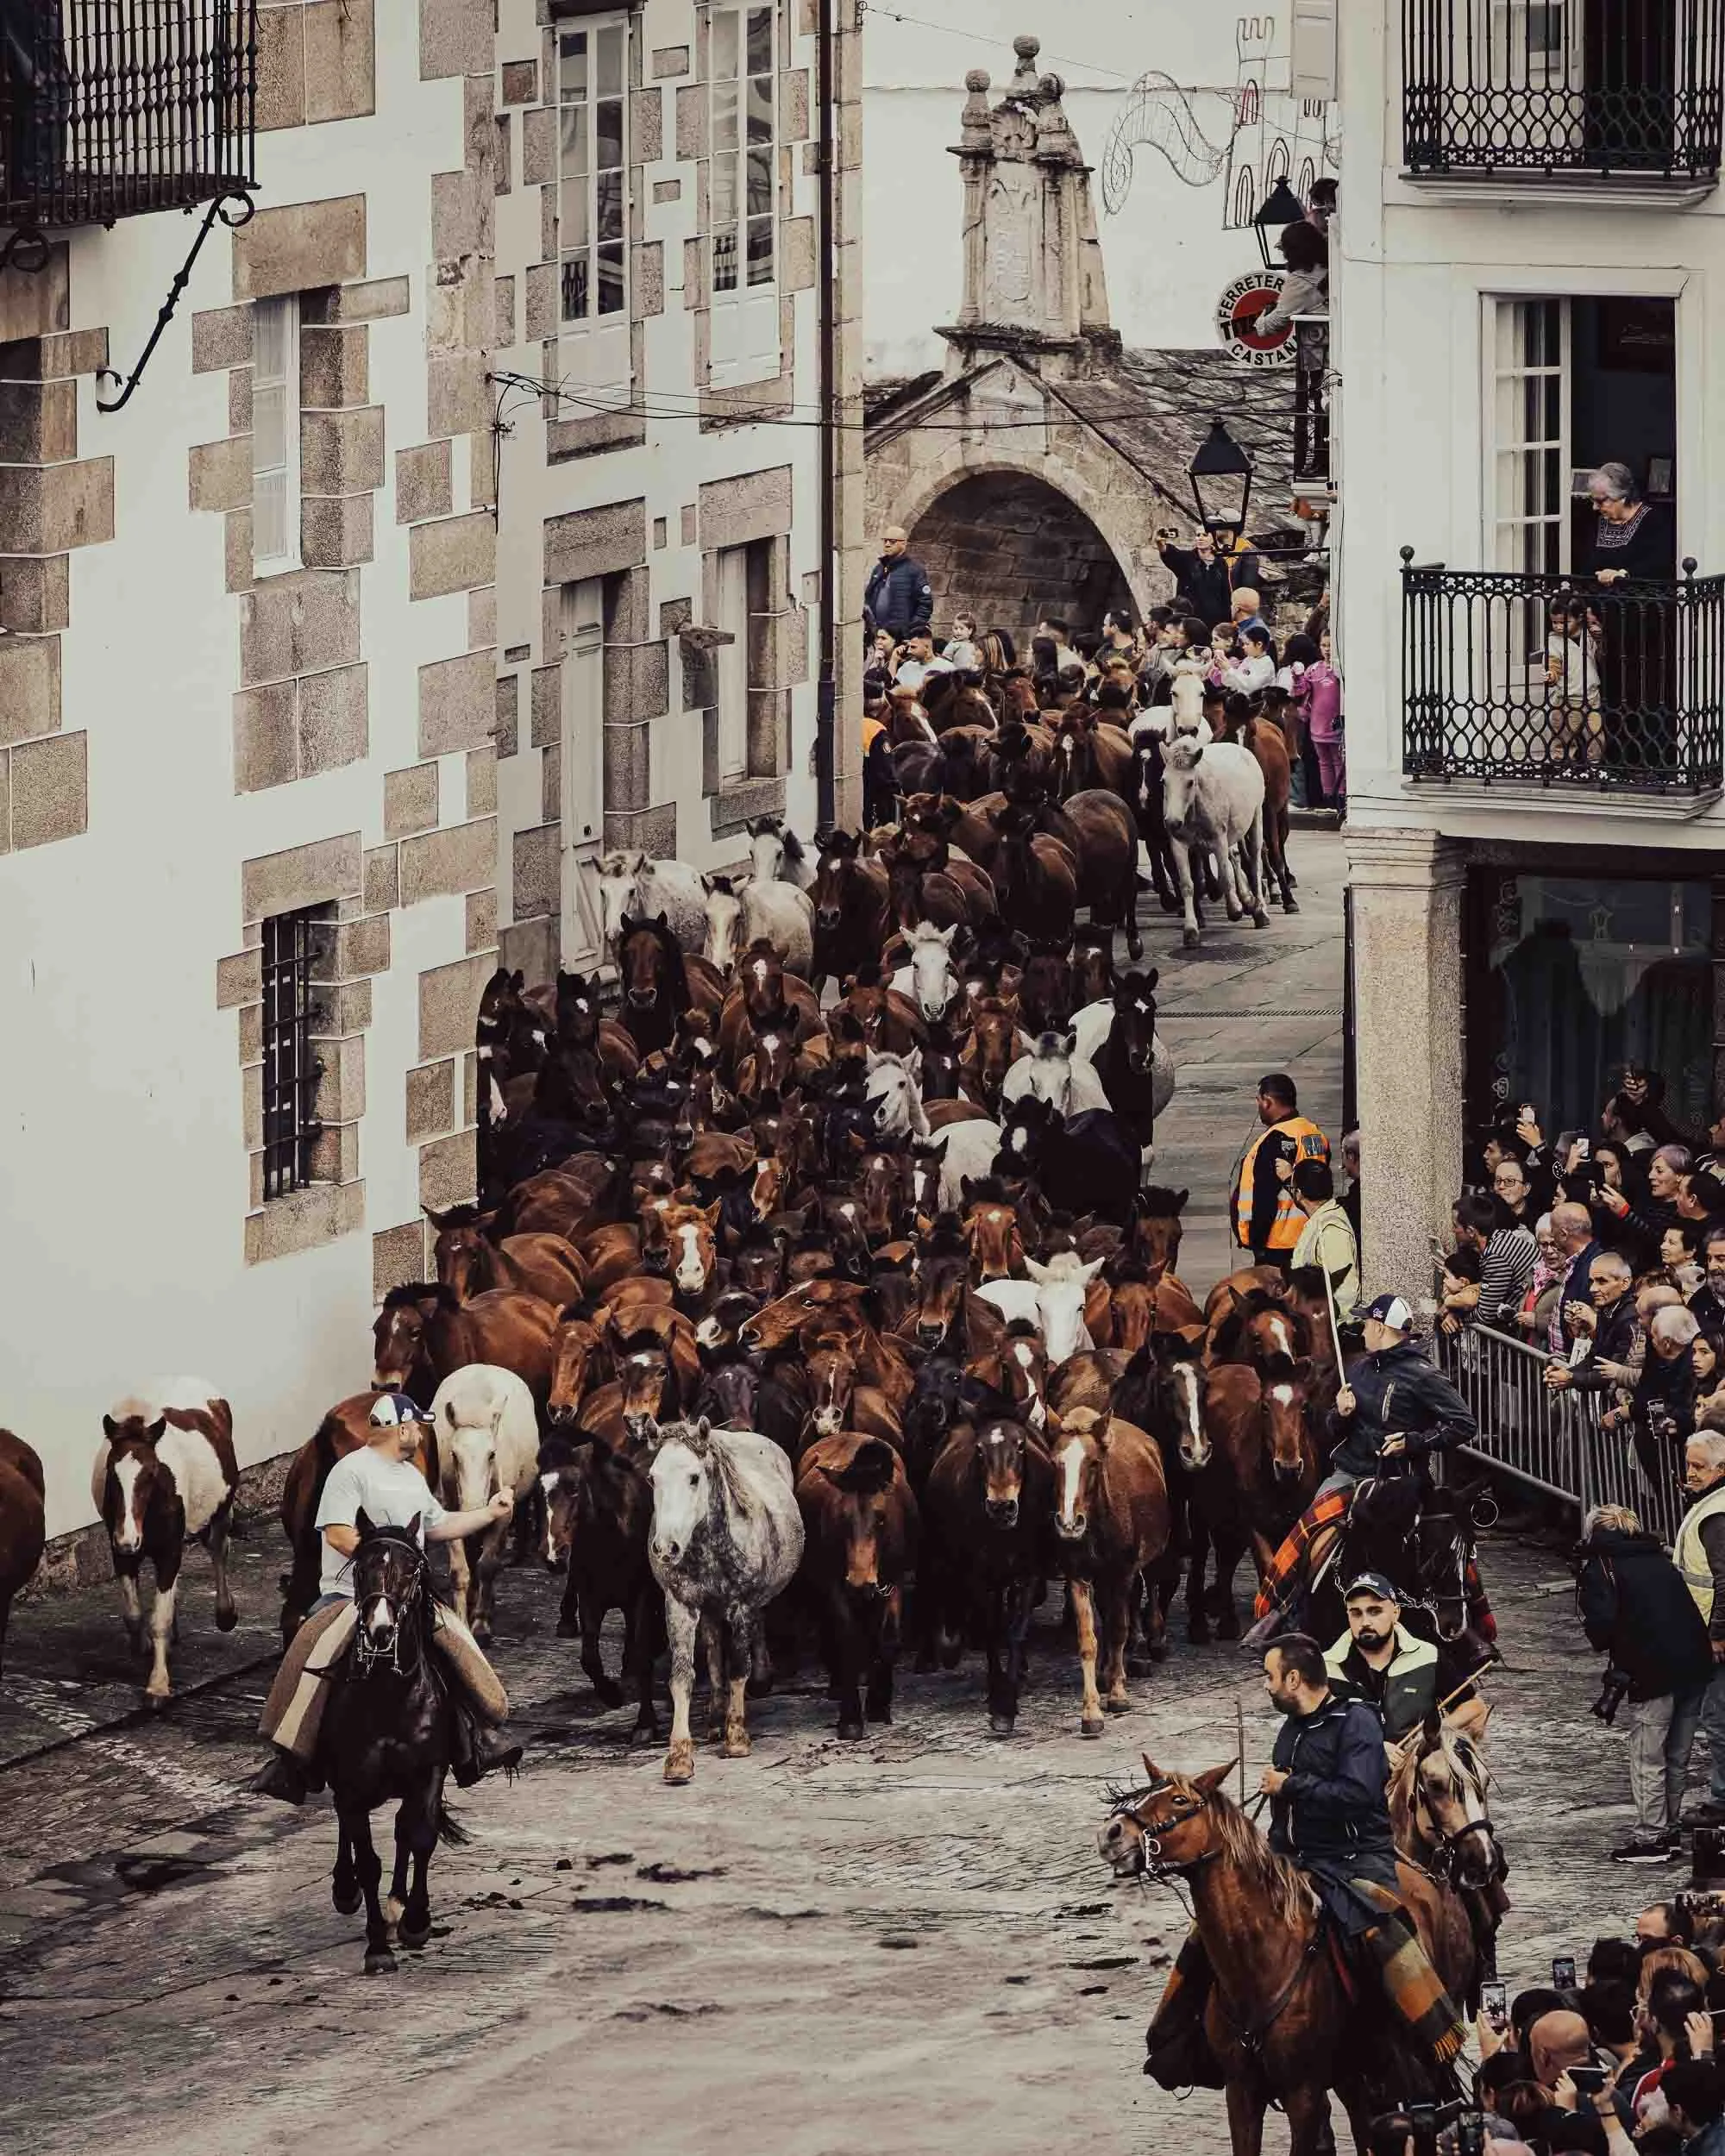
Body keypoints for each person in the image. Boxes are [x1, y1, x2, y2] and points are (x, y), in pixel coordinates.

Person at [254, 1392, 522, 1803]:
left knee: (459, 1642)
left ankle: (480, 1736)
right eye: (416, 1425)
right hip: (351, 1595)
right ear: (399, 1428)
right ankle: (290, 1758)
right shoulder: (351, 1472)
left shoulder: (410, 1476)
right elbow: (338, 1533)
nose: (419, 1432)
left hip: (410, 1597)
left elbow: (438, 1525)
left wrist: (489, 1512)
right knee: (310, 1649)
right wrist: (385, 1559)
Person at [1258, 1633, 1465, 2069]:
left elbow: (1357, 1792)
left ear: (1293, 1679)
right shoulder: (1291, 1728)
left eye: (1269, 1676)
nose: (1266, 1685)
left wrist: (1289, 1784)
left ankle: (1397, 2038)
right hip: (1293, 1859)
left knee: (1374, 1937)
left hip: (1353, 1858)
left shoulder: (1358, 1721)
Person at [1576, 1501, 1712, 1863]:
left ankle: (1650, 1838)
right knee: (1677, 1756)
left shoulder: (1601, 1567)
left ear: (1595, 1533)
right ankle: (1667, 1832)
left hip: (1653, 1672)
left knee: (1648, 1756)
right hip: (1694, 1666)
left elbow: (1601, 1630)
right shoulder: (1658, 1559)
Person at [1320, 1293, 1478, 1502]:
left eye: (1366, 1325)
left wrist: (1412, 1442)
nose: (1363, 1334)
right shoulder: (1358, 1370)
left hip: (1398, 1482)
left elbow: (1464, 1425)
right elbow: (1332, 1428)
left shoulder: (1423, 1375)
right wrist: (1340, 1414)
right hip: (1349, 1473)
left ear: (1379, 1327)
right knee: (1311, 1531)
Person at [1323, 1571, 1479, 1745]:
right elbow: (1311, 1730)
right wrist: (1373, 1748)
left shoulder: (1427, 1656)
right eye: (1356, 1613)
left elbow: (1473, 1705)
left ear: (1396, 1613)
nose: (1365, 1622)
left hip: (1414, 1763)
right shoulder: (1325, 1667)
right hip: (1351, 1766)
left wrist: (1434, 1732)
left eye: (1375, 1611)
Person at [1675, 1432, 1725, 1829]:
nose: (1690, 1473)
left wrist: (1718, 1634)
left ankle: (1723, 1801)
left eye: (1698, 1467)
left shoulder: (1716, 1513)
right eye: (1688, 1464)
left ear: (1720, 1470)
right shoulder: (1711, 1504)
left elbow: (1724, 1581)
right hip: (1704, 1628)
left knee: (1718, 1718)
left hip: (1715, 1633)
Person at [1231, 1072, 1330, 1272]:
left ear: (1268, 1101)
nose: (1258, 1107)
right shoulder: (1314, 1134)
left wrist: (1258, 1245)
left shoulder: (1276, 1139)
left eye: (1259, 1101)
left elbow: (1264, 1197)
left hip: (1279, 1246)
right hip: (1312, 1237)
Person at [1289, 1156, 1359, 1318]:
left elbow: (1344, 1292)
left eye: (1291, 1187)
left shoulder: (1331, 1230)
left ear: (1298, 1194)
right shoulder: (1320, 1221)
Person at [1258, 217, 1329, 336]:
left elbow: (1272, 324)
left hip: (1323, 346)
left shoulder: (1300, 280)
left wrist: (1259, 321)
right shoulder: (1331, 266)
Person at [863, 524, 932, 642]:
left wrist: (911, 631)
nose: (887, 544)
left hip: (901, 638)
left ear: (903, 544)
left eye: (892, 541)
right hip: (877, 636)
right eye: (885, 541)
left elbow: (925, 604)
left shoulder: (915, 570)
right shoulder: (879, 569)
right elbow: (868, 598)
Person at [1155, 524, 1233, 624]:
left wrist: (1227, 623)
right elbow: (1170, 554)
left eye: (1205, 535)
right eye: (1198, 535)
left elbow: (1225, 595)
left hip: (1215, 621)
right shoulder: (1187, 559)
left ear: (1214, 538)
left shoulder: (1220, 563)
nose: (1200, 538)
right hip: (1190, 621)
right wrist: (1161, 544)